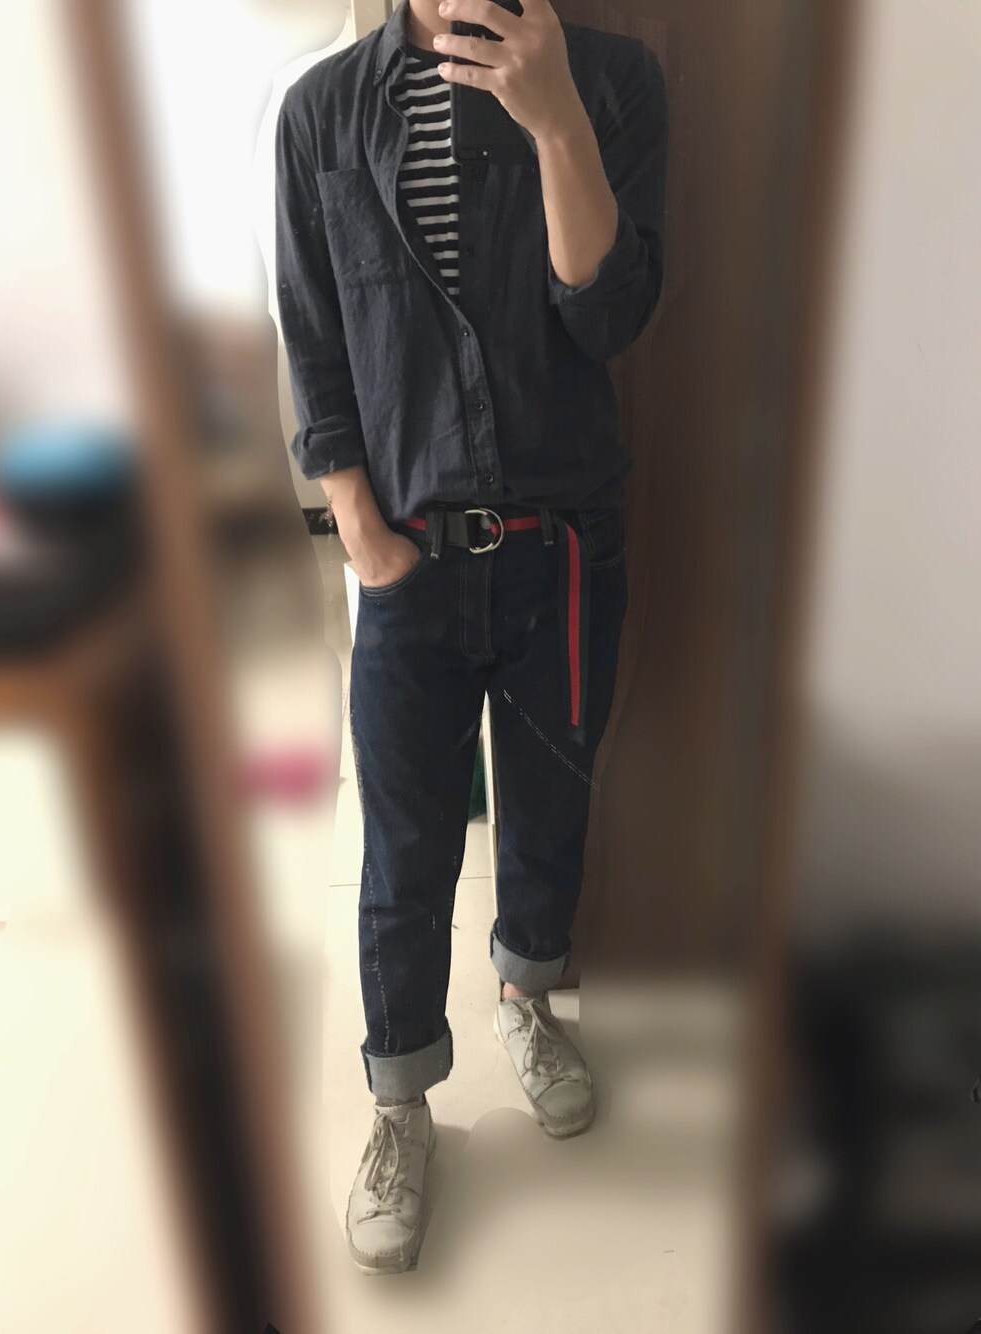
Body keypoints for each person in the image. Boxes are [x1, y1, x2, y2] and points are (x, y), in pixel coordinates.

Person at [274, 0, 667, 1275]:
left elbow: (608, 316)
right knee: (404, 839)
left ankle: (526, 995)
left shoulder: (613, 80)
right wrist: (357, 528)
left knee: (552, 802)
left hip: (565, 547)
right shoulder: (323, 113)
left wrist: (554, 122)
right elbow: (312, 329)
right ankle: (400, 1099)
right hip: (408, 556)